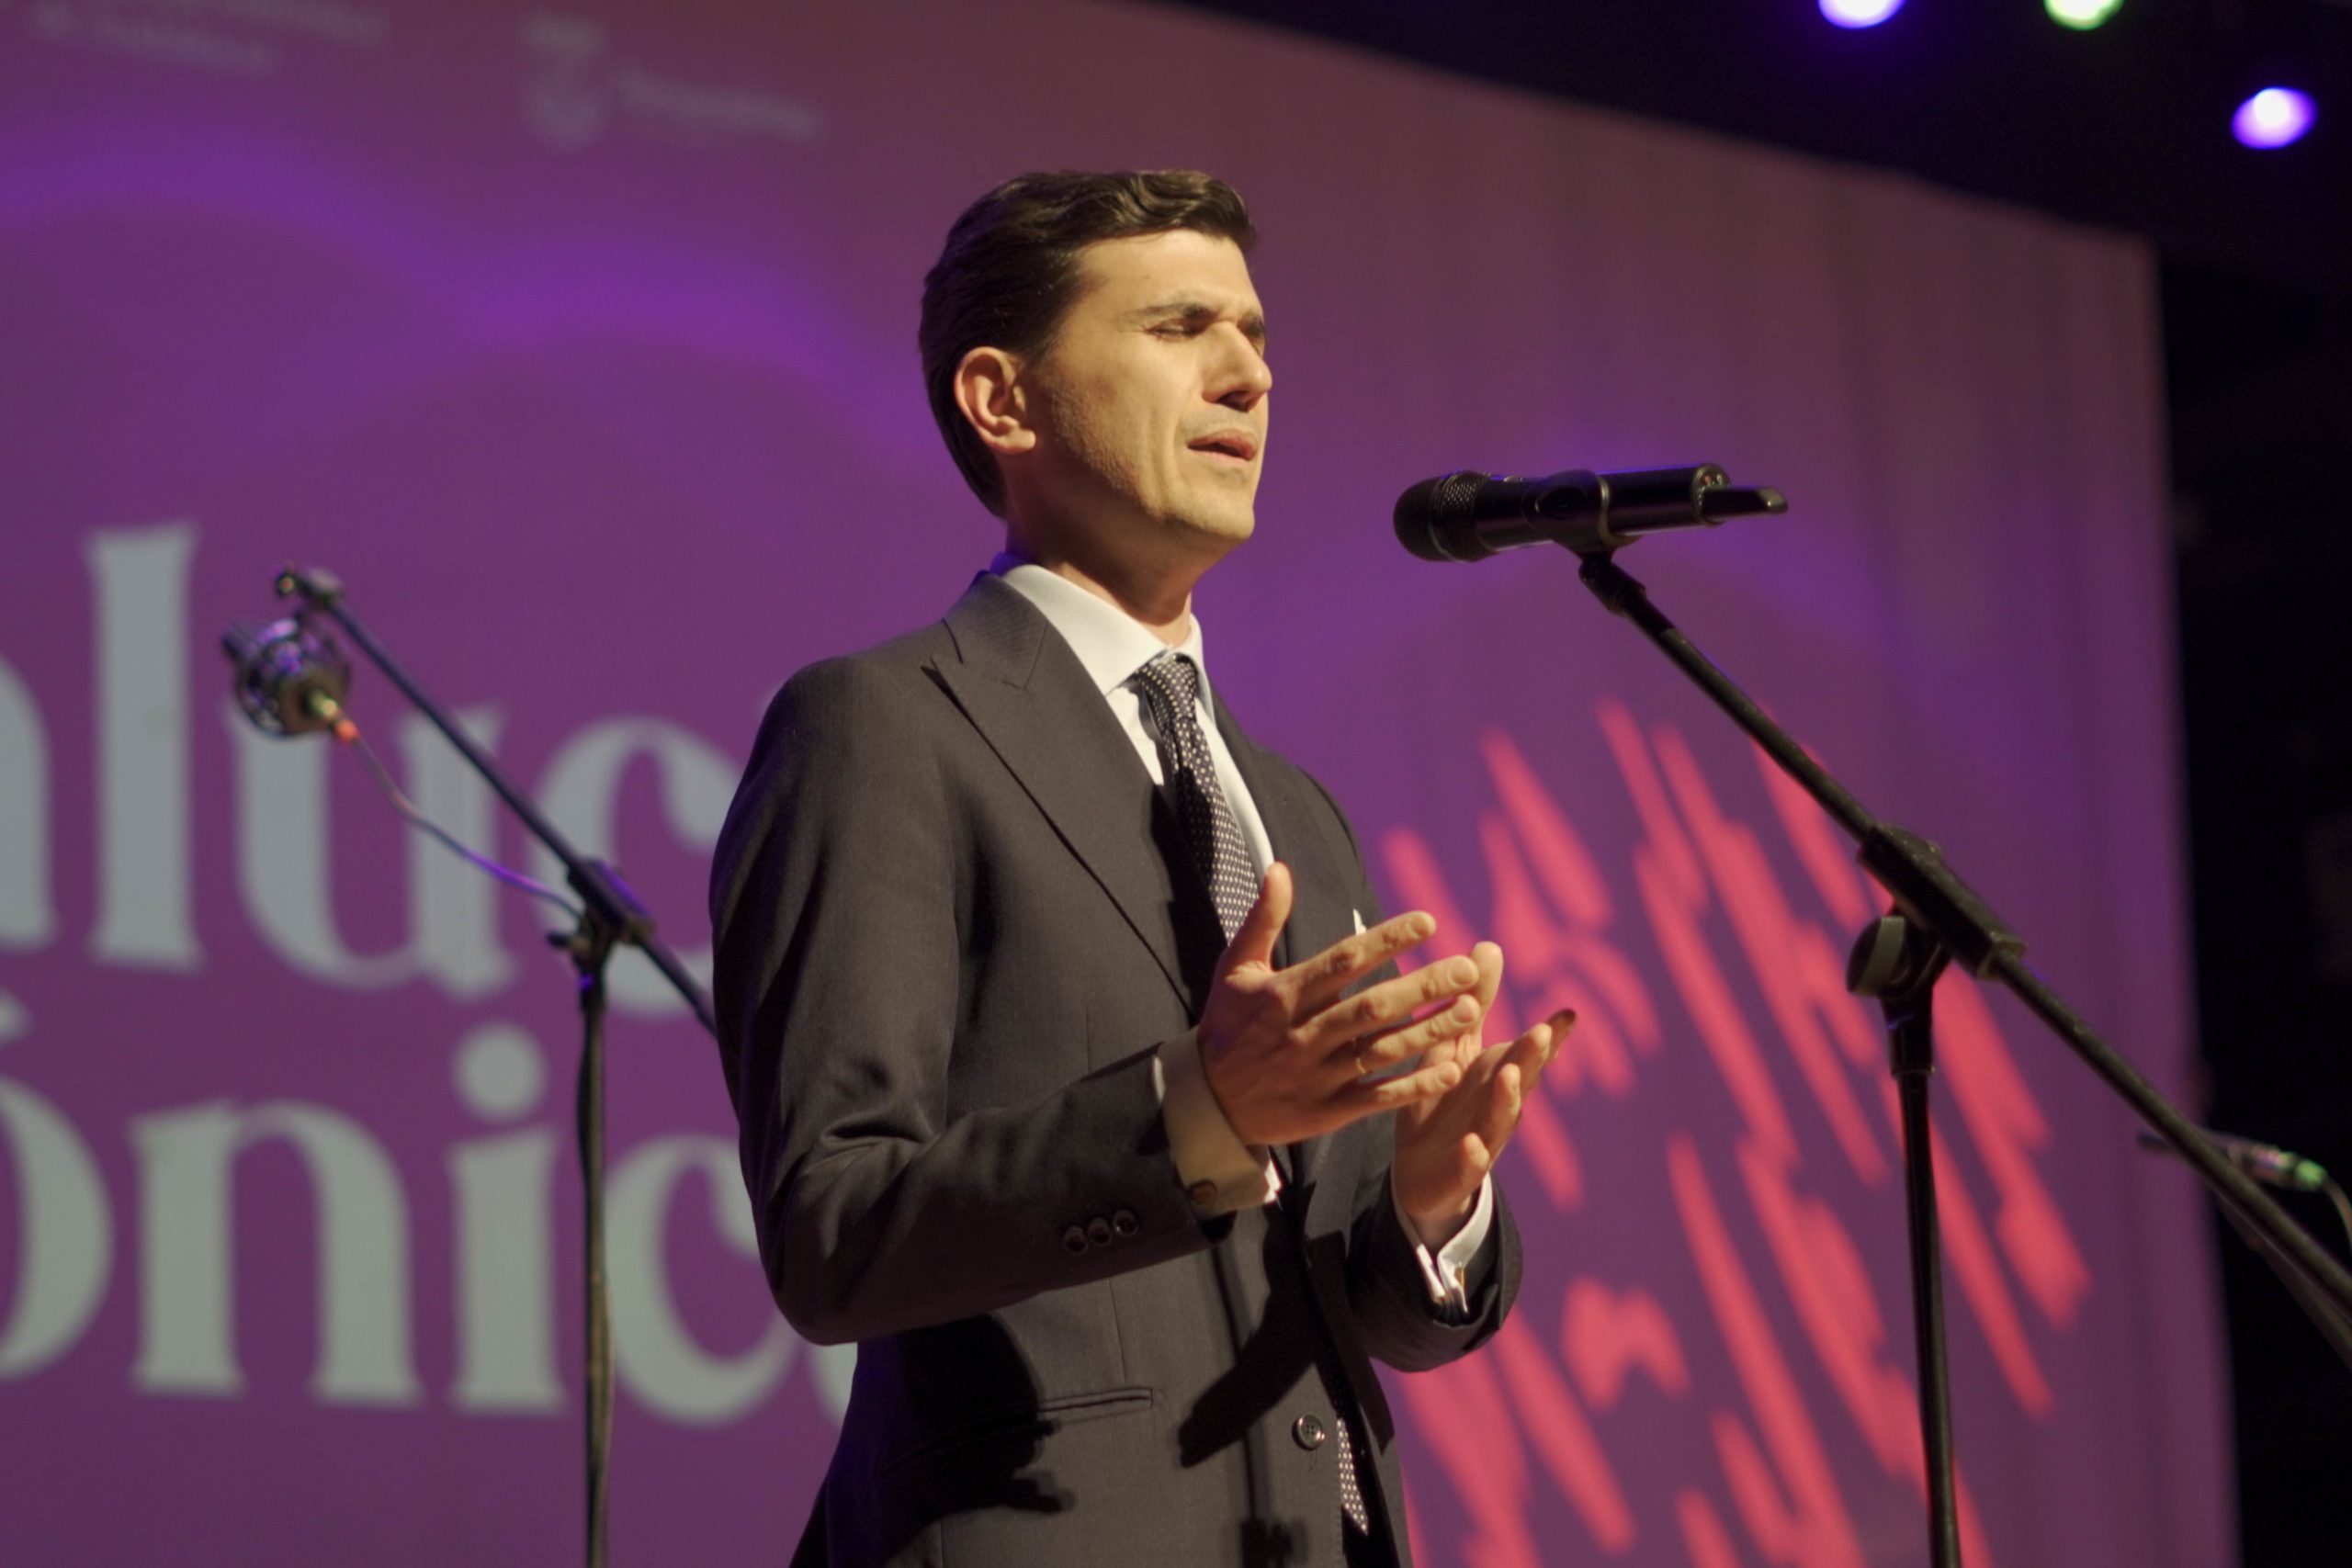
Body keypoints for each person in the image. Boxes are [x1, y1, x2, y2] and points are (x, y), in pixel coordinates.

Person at [709, 169, 1567, 1568]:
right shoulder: (884, 727)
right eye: (1179, 329)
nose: (1249, 376)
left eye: (1257, 337)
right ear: (1003, 400)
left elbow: (1374, 1319)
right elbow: (833, 1230)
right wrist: (1194, 1112)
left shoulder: (1291, 809)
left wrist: (1430, 1208)